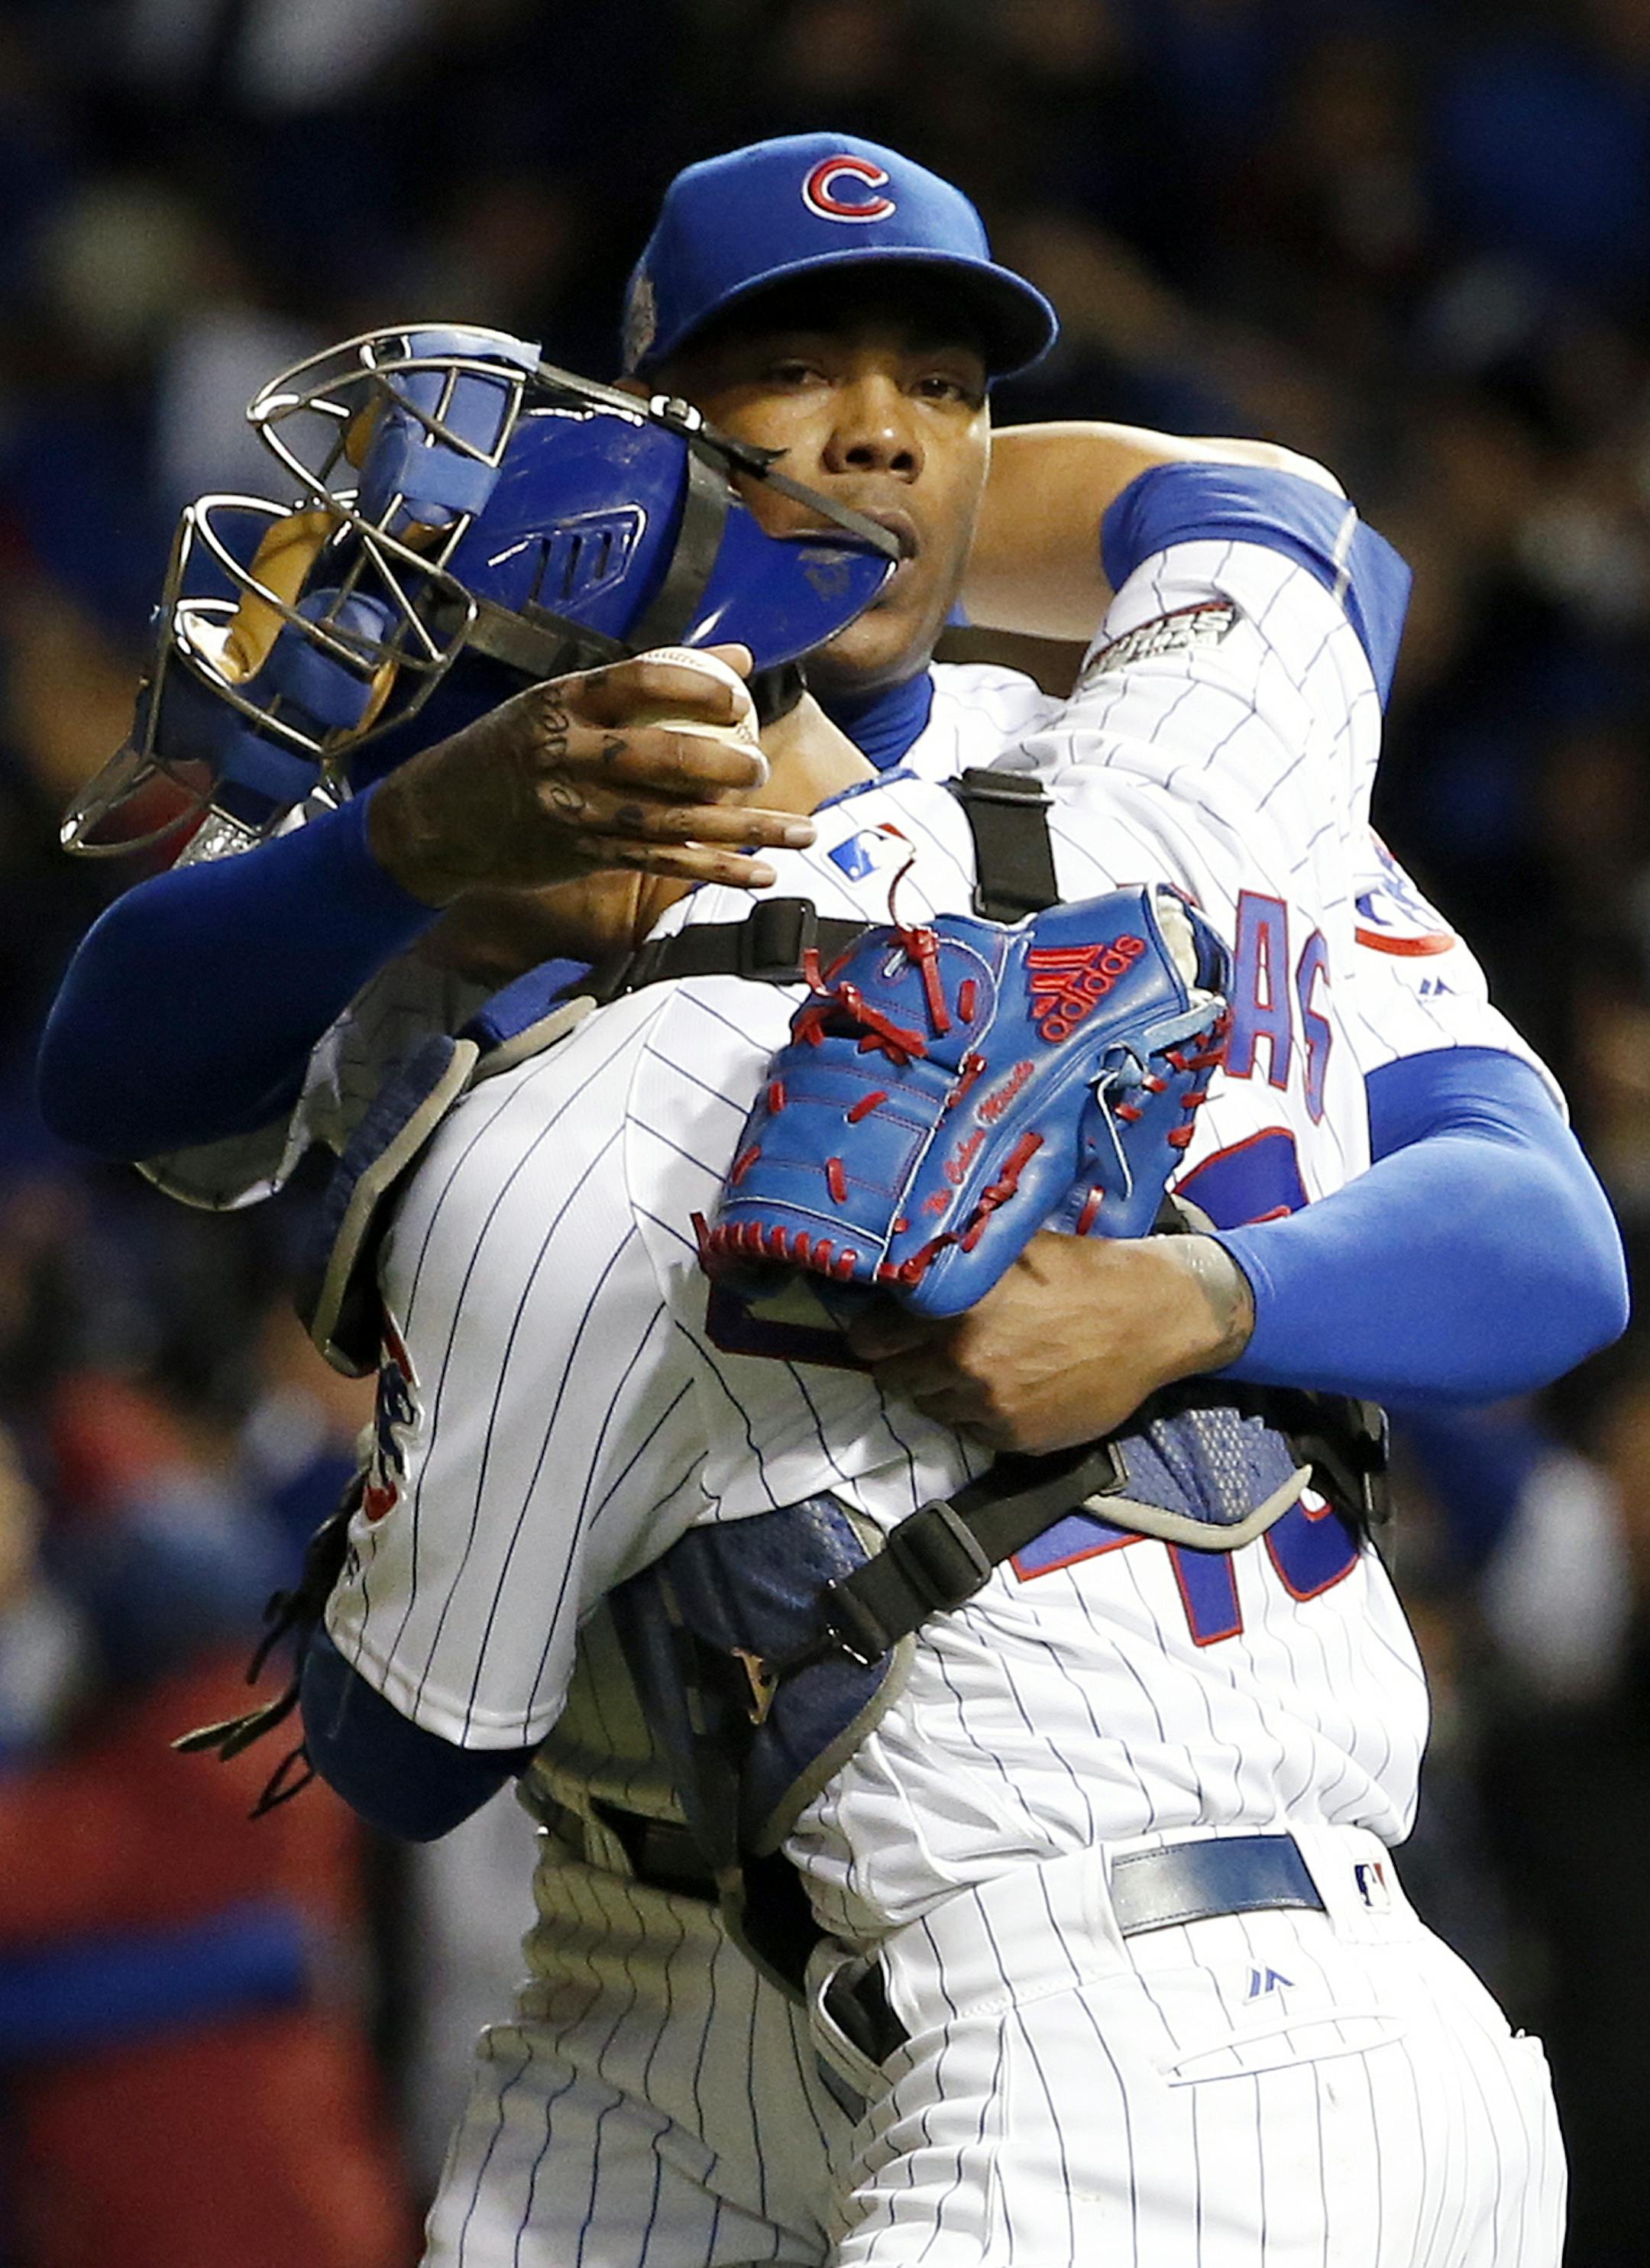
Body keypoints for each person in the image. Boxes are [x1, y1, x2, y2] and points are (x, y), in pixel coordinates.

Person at [37, 135, 1623, 2265]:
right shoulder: (532, 805)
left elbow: (1543, 1227)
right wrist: (410, 849)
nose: (881, 420)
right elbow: (118, 1063)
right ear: (656, 421)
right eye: (795, 365)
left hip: (1075, 1899)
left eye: (944, 383)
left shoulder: (1158, 768)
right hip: (653, 1975)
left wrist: (1195, 1293)